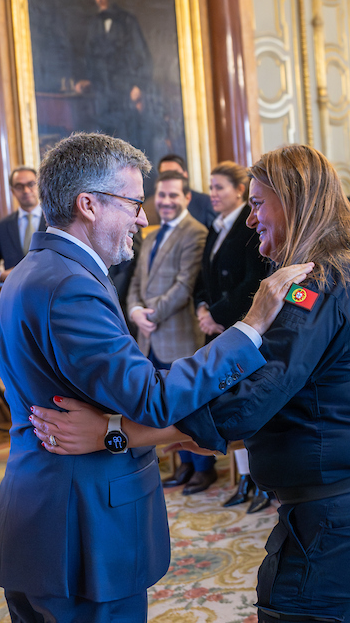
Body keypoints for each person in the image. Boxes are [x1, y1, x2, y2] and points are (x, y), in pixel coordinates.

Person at [33, 143, 350, 623]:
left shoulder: (312, 284)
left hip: (347, 506)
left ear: (295, 202)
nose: (250, 217)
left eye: (258, 203)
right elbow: (279, 396)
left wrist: (116, 432)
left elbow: (248, 403)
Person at [0, 132, 287, 622]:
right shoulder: (70, 286)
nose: (143, 217)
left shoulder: (36, 268)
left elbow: (126, 377)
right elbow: (150, 398)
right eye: (133, 202)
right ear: (88, 204)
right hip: (83, 529)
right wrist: (250, 329)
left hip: (44, 513)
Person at [192, 161, 271, 511]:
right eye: (210, 187)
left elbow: (252, 281)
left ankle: (261, 481)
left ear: (240, 191)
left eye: (219, 187)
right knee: (230, 394)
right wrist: (201, 308)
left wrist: (217, 316)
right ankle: (243, 479)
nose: (213, 194)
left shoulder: (248, 224)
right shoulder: (217, 225)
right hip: (219, 326)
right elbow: (203, 276)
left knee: (250, 402)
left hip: (244, 324)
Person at [126, 170, 210, 494]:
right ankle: (184, 465)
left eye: (173, 195)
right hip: (148, 335)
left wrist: (152, 313)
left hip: (178, 334)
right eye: (161, 195)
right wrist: (135, 311)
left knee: (189, 403)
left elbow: (183, 286)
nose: (166, 201)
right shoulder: (152, 234)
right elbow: (136, 280)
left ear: (187, 198)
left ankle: (203, 467)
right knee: (165, 402)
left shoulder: (195, 232)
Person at [76, 0, 154, 146]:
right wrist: (88, 80)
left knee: (128, 140)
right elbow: (90, 57)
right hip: (103, 95)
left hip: (125, 92)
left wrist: (138, 86)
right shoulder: (93, 24)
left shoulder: (127, 20)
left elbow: (142, 56)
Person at [0, 167, 48, 288]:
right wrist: (4, 276)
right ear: (12, 191)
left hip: (50, 292)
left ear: (40, 186)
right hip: (16, 296)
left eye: (31, 184)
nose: (26, 190)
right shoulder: (1, 227)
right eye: (19, 186)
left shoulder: (55, 220)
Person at [157, 154, 216, 228]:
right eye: (165, 174)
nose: (170, 179)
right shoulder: (151, 206)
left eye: (175, 174)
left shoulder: (205, 202)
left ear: (185, 175)